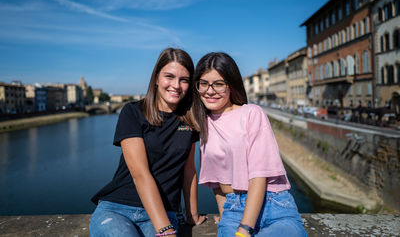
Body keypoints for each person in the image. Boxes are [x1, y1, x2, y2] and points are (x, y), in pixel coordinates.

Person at [90, 48, 205, 237]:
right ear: (157, 78)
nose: (176, 85)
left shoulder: (190, 121)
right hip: (118, 208)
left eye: (184, 80)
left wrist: (192, 215)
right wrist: (166, 230)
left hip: (165, 210)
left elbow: (189, 170)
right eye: (169, 76)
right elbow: (140, 174)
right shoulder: (133, 112)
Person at [192, 52, 307, 237]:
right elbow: (217, 183)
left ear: (232, 85)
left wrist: (244, 229)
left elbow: (258, 175)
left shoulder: (252, 113)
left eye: (219, 84)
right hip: (233, 209)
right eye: (203, 83)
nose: (210, 90)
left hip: (274, 205)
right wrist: (225, 216)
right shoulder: (203, 123)